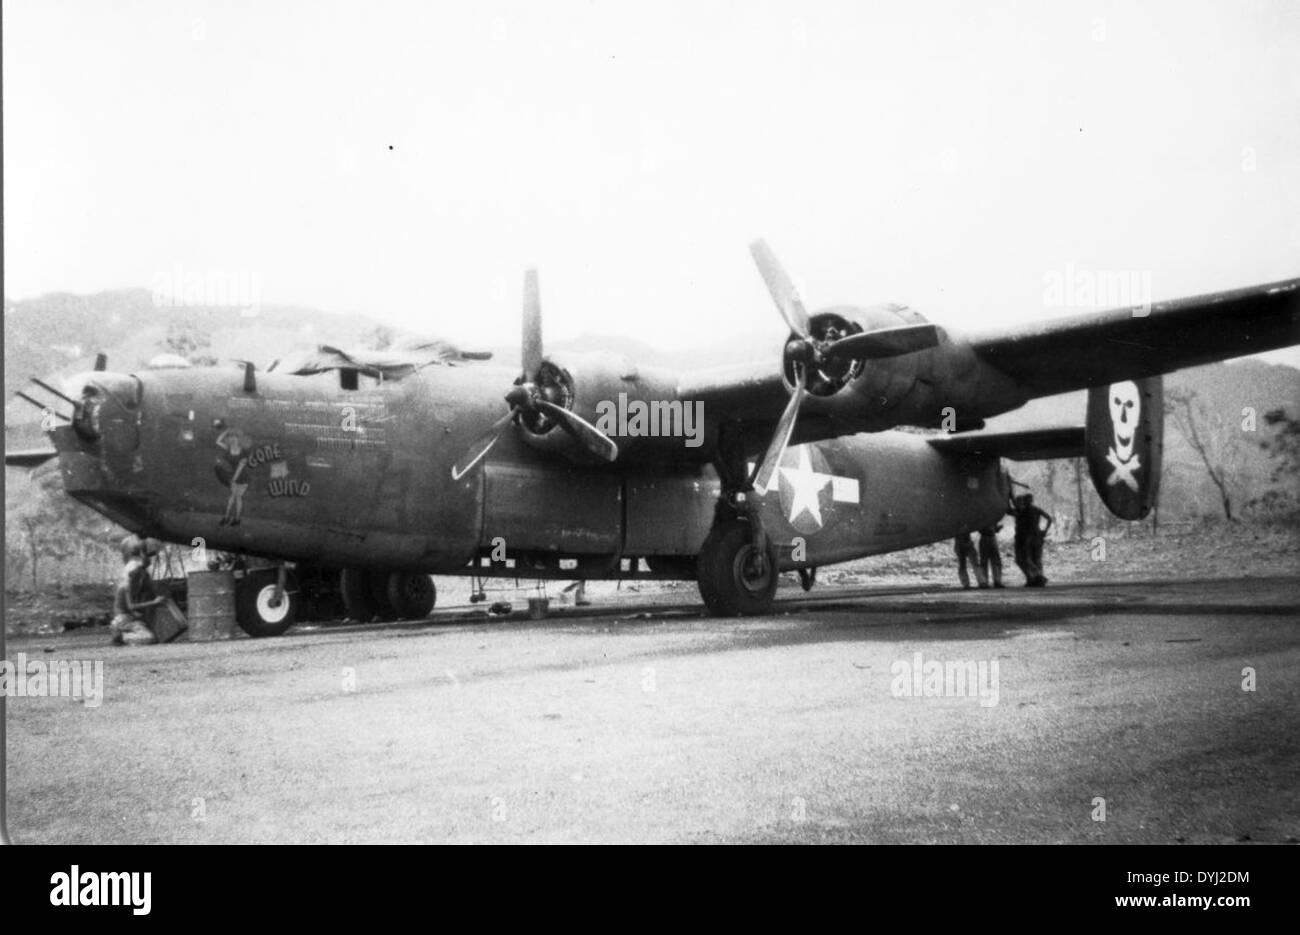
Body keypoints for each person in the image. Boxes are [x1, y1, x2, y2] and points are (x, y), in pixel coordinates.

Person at [109, 536, 164, 645]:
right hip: (123, 619)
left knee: (148, 630)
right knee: (149, 638)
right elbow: (131, 606)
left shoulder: (133, 573)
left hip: (127, 617)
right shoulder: (127, 583)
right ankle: (122, 636)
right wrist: (154, 602)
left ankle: (124, 632)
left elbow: (145, 564)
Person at [1007, 494, 1054, 587]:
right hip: (1037, 537)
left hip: (1027, 538)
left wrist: (1008, 497)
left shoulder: (1023, 512)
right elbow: (1049, 518)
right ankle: (1034, 579)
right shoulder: (1035, 510)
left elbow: (1009, 511)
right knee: (1036, 559)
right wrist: (1044, 530)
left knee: (1025, 559)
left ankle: (1037, 577)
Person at [978, 524, 1004, 588]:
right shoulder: (983, 517)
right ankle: (986, 581)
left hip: (990, 537)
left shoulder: (990, 517)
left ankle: (996, 581)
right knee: (986, 560)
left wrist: (997, 528)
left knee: (994, 560)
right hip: (987, 536)